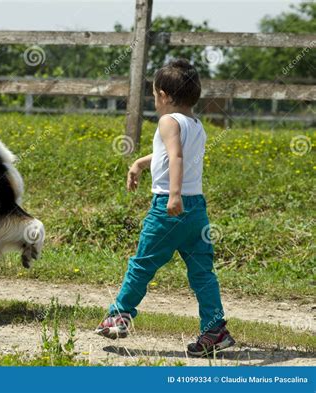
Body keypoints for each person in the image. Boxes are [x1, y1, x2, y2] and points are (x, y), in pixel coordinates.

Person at [95, 59, 235, 357]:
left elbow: (176, 157)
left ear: (165, 96)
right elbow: (167, 153)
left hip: (169, 209)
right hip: (197, 210)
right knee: (202, 272)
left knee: (143, 263)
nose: (154, 100)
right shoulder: (195, 124)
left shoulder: (168, 121)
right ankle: (214, 330)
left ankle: (119, 315)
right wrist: (139, 163)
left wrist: (173, 196)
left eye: (155, 94)